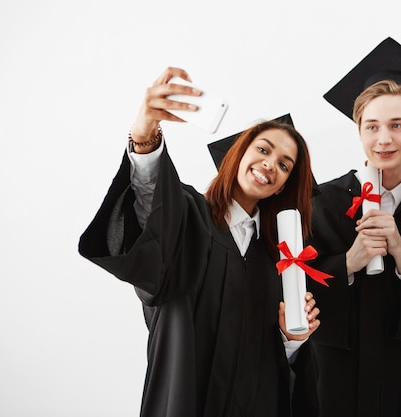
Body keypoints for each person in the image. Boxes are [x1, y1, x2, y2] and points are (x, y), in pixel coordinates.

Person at [78, 67, 322, 417]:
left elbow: (273, 372)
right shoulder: (189, 216)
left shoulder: (279, 263)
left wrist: (290, 340)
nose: (270, 165)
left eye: (284, 165)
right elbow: (152, 208)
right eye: (263, 149)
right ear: (238, 154)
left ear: (284, 185)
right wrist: (145, 135)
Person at [305, 37, 401, 417]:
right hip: (335, 377)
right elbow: (293, 293)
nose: (384, 139)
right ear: (359, 129)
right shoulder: (318, 202)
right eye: (372, 126)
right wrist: (348, 262)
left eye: (397, 125)